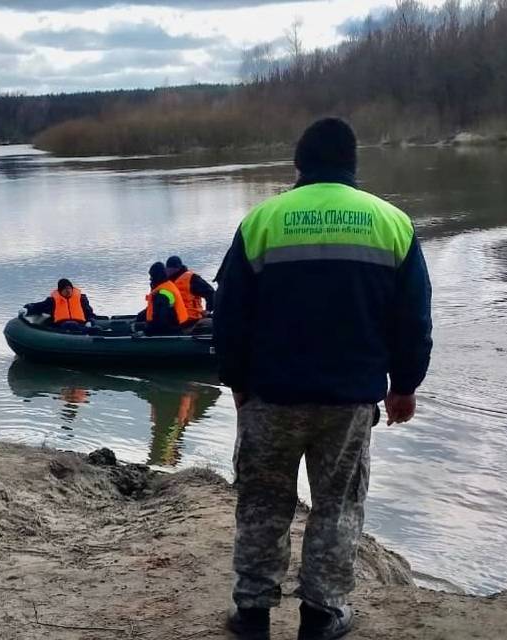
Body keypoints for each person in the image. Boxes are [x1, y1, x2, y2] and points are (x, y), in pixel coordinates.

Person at [214, 117, 433, 640]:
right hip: (349, 401)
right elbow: (414, 319)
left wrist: (238, 382)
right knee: (337, 507)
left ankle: (252, 615)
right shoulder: (392, 223)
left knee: (263, 503)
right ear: (352, 162)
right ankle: (321, 616)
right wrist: (405, 385)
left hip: (271, 396)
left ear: (299, 164)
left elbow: (229, 316)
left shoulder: (262, 221)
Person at [24, 278, 96, 331]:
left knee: (95, 328)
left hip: (80, 324)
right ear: (60, 291)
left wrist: (89, 321)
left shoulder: (81, 299)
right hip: (61, 325)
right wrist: (27, 308)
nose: (68, 291)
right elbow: (38, 306)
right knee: (70, 324)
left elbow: (89, 313)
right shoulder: (52, 301)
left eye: (69, 288)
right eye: (65, 289)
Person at [138, 261, 188, 336]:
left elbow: (162, 320)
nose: (150, 279)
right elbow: (155, 310)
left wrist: (146, 332)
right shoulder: (167, 285)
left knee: (137, 329)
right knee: (139, 322)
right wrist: (140, 317)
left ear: (157, 276)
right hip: (176, 325)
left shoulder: (163, 294)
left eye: (152, 276)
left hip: (171, 330)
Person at [165, 256, 215, 323]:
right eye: (167, 268)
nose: (167, 271)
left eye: (169, 268)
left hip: (192, 318)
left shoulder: (192, 279)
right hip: (174, 319)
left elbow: (210, 292)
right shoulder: (167, 281)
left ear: (176, 268)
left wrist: (208, 310)